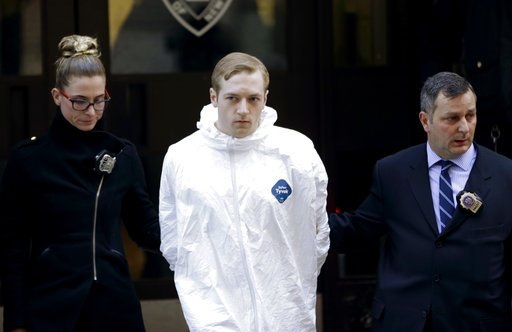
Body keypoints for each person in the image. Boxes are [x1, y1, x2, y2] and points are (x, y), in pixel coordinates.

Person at [159, 52, 330, 331]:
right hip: (213, 315)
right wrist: (201, 292)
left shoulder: (296, 152)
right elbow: (173, 238)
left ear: (265, 97)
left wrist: (291, 283)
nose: (242, 109)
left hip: (286, 313)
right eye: (232, 98)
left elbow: (317, 232)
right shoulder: (182, 157)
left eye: (253, 99)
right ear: (214, 97)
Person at [329, 71, 512, 331]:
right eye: (452, 118)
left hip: (477, 324)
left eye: (470, 115)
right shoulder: (392, 172)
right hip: (405, 322)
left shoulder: (506, 176)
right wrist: (295, 218)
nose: (464, 127)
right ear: (425, 121)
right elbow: (357, 230)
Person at [0, 35, 160, 332]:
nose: (90, 112)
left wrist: (199, 232)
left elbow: (146, 228)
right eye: (79, 101)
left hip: (115, 305)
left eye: (100, 100)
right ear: (57, 96)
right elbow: (12, 248)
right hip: (50, 305)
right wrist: (16, 322)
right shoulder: (29, 159)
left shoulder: (123, 154)